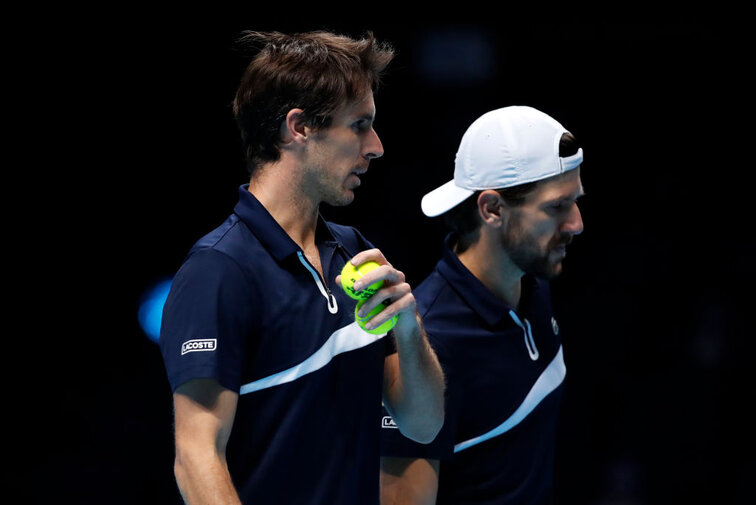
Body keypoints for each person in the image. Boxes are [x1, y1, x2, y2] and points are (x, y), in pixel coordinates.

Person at [159, 30, 444, 505]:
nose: (375, 146)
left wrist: (410, 328)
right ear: (299, 127)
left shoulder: (355, 252)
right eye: (359, 125)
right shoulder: (219, 269)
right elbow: (196, 455)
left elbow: (422, 423)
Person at [379, 105, 585, 505]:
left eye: (575, 202)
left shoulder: (533, 283)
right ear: (491, 209)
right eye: (557, 207)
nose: (576, 223)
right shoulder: (429, 342)